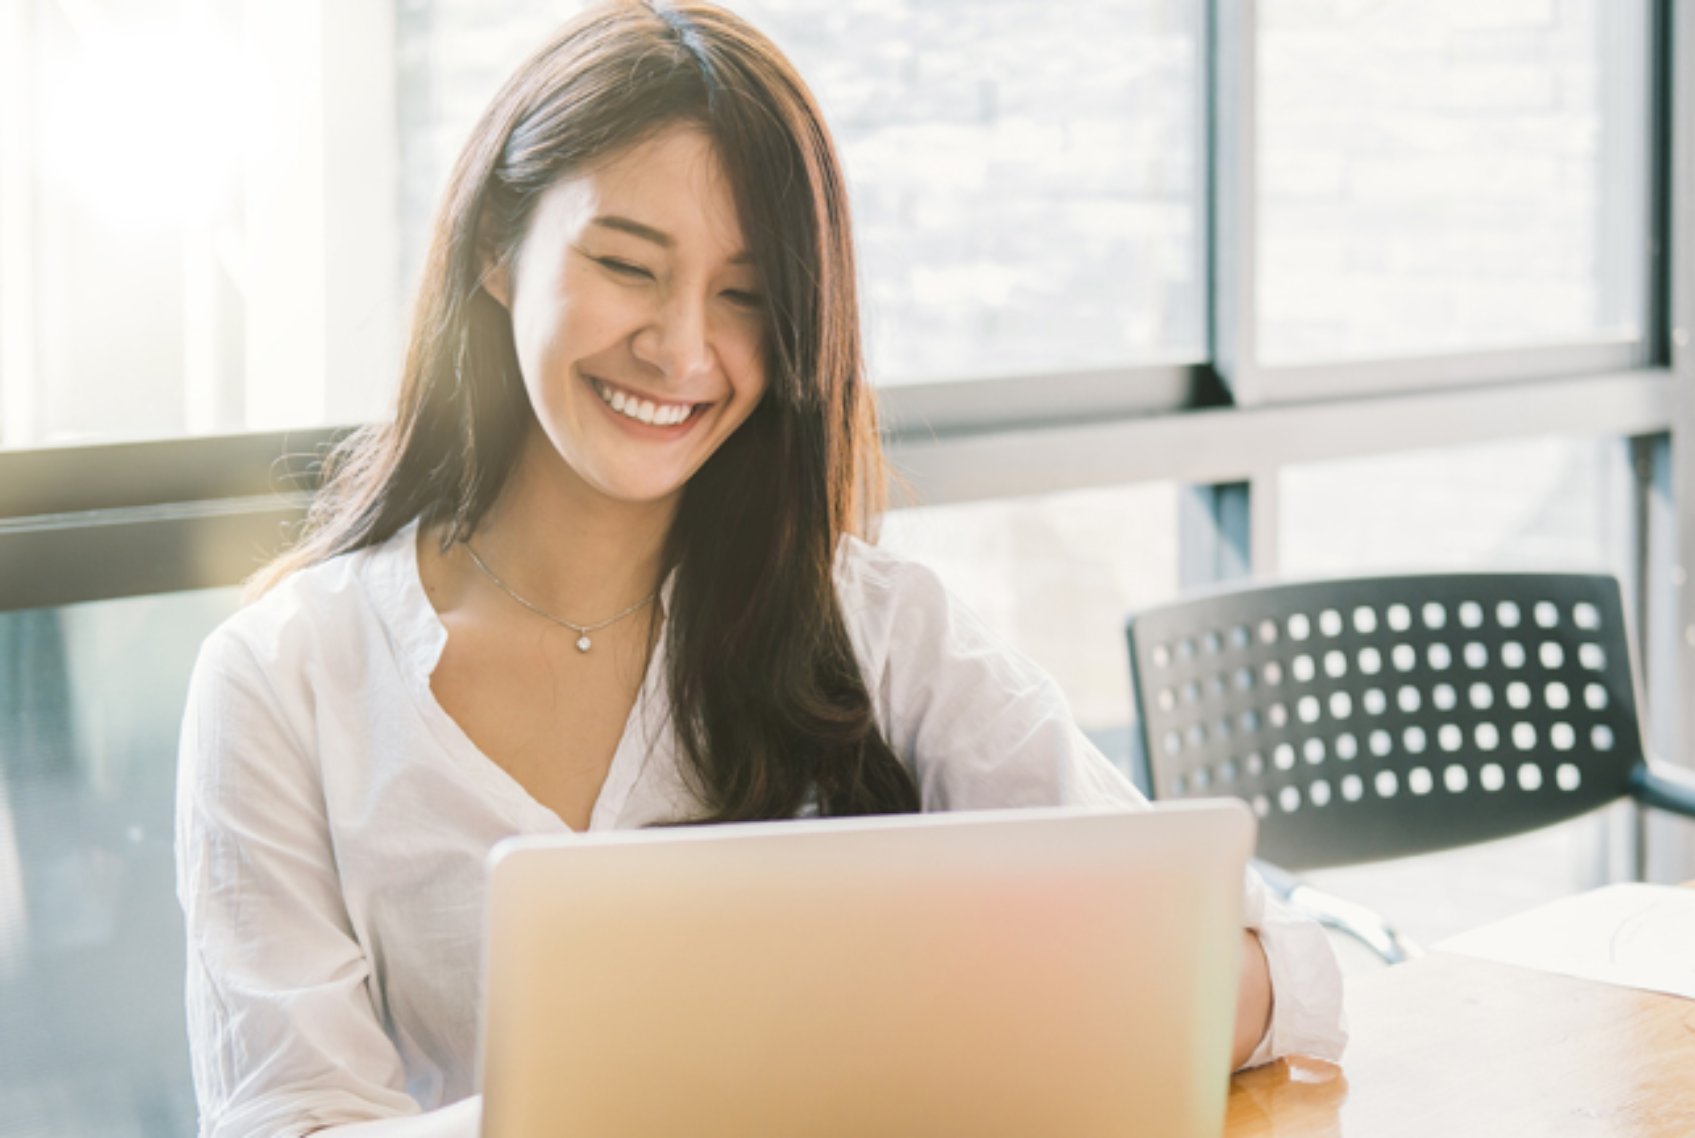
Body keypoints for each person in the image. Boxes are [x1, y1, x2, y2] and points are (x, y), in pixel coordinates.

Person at [174, 2, 1347, 1134]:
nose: (683, 349)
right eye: (628, 265)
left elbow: (1279, 966)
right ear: (497, 248)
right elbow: (294, 1120)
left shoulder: (875, 629)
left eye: (744, 296)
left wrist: (920, 1030)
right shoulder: (285, 680)